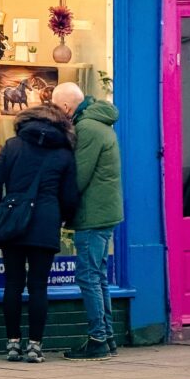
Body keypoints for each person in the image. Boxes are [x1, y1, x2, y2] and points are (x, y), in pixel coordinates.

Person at [0, 105, 79, 364]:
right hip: (46, 222)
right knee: (39, 286)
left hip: (13, 220)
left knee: (13, 284)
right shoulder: (64, 153)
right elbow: (70, 195)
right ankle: (35, 346)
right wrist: (63, 217)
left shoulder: (13, 145)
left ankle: (12, 343)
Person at [51, 82, 123, 360]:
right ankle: (108, 336)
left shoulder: (87, 128)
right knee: (98, 276)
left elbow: (78, 177)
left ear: (67, 107)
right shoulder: (96, 121)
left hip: (94, 214)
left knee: (89, 277)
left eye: (58, 109)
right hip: (103, 212)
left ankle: (98, 340)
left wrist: (57, 206)